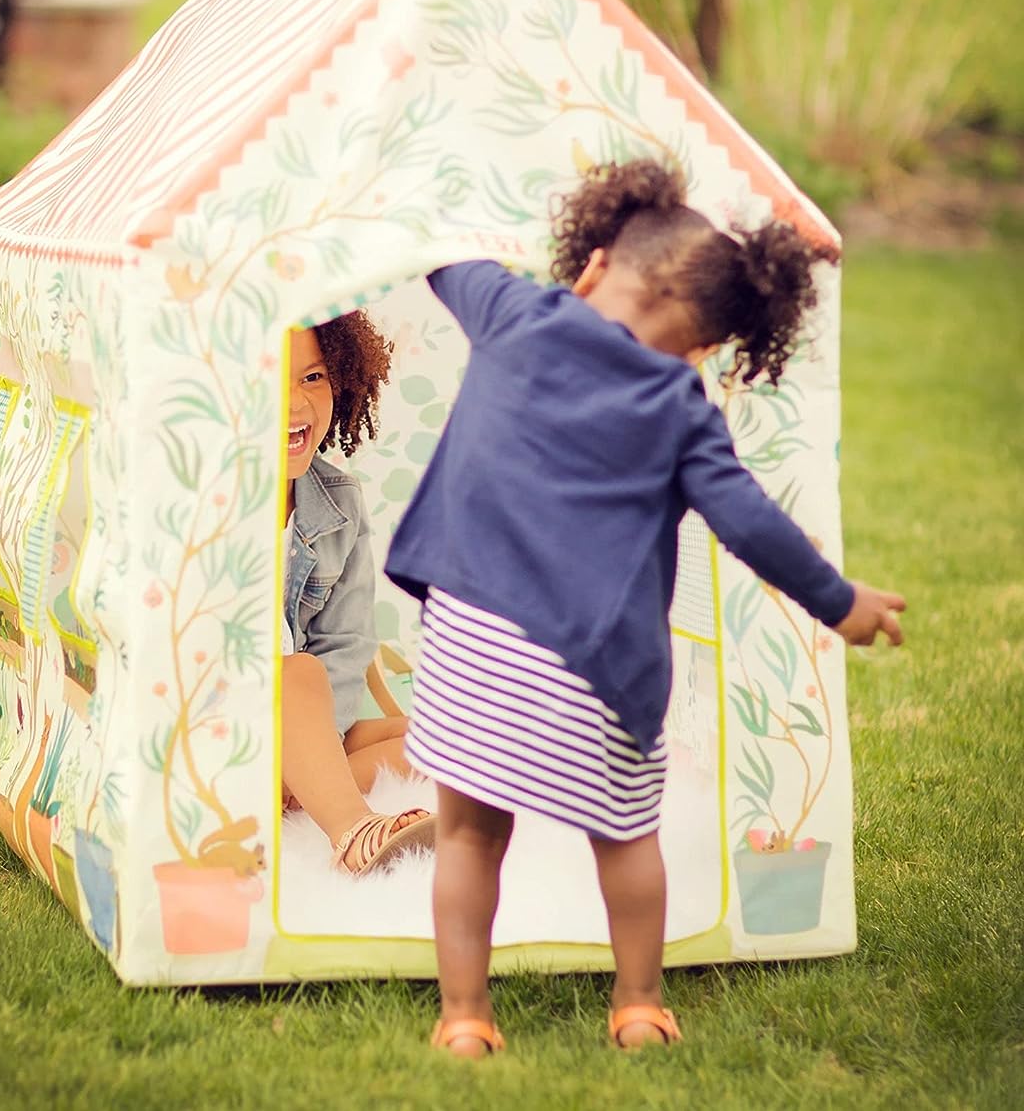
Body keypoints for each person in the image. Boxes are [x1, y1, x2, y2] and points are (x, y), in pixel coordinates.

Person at [384, 159, 906, 1056]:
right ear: (705, 346)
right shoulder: (680, 405)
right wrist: (840, 601)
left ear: (589, 269)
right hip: (594, 665)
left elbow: (440, 253)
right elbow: (747, 520)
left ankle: (465, 1019)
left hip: (472, 639)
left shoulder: (513, 313)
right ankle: (637, 1005)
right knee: (624, 835)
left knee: (468, 835)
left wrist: (400, 188)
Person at [281, 313, 435, 874]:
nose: (296, 405)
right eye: (272, 379)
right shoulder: (206, 501)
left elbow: (346, 646)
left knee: (432, 739)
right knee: (294, 674)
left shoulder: (339, 504)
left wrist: (309, 745)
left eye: (313, 378)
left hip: (306, 722)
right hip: (227, 720)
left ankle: (304, 783)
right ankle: (352, 827)